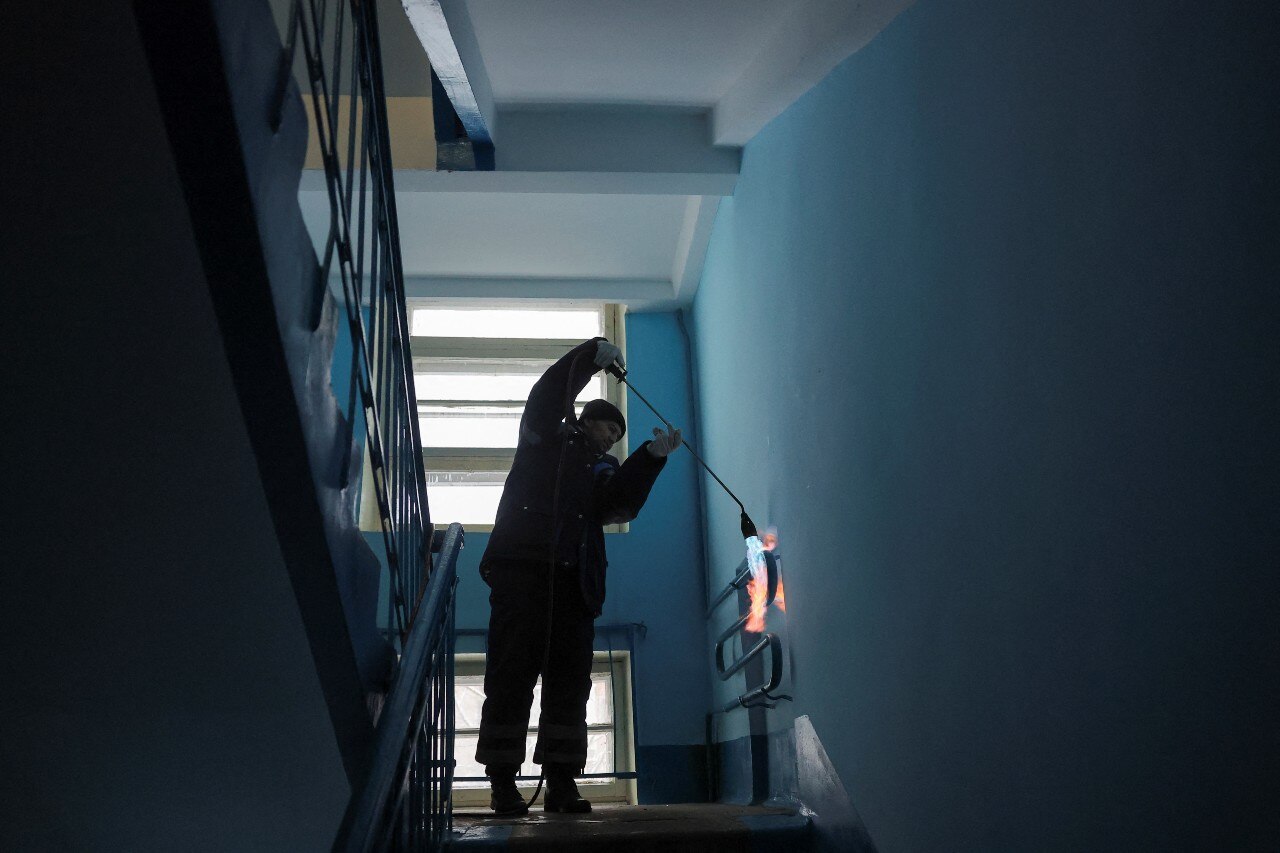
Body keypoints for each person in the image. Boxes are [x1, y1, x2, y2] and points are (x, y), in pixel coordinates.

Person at [474, 337, 682, 815]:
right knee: (510, 677)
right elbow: (546, 397)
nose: (611, 439)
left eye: (617, 436)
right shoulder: (547, 440)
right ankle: (502, 783)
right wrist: (590, 356)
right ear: (586, 420)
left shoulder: (602, 469)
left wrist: (650, 457)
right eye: (608, 429)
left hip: (576, 588)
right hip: (524, 577)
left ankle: (562, 783)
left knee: (569, 686)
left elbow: (616, 506)